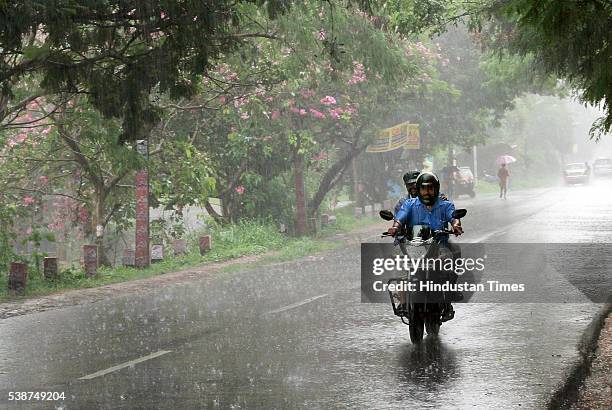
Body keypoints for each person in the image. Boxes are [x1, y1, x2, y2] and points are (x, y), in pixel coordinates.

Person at [387, 172, 464, 304]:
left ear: (435, 188)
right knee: (402, 270)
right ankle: (403, 301)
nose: (426, 191)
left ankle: (450, 289)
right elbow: (399, 218)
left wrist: (456, 225)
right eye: (422, 188)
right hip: (412, 243)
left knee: (454, 251)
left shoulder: (443, 202)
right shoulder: (407, 203)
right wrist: (395, 228)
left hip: (438, 242)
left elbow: (452, 215)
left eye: (430, 188)